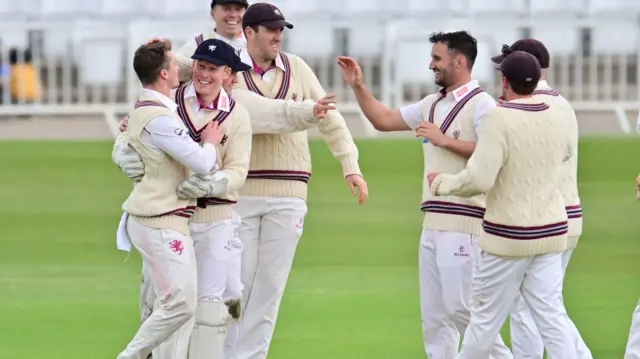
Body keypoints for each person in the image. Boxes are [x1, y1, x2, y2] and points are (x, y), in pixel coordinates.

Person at [113, 41, 338, 359]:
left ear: (228, 74)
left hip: (216, 223)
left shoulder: (237, 115)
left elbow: (237, 172)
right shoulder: (171, 101)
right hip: (172, 218)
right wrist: (121, 148)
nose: (204, 75)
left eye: (213, 69)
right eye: (200, 67)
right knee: (170, 309)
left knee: (211, 313)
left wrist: (213, 184)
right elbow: (135, 128)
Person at [337, 31, 510, 358]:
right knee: (435, 319)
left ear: (459, 61)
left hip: (466, 221)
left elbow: (495, 154)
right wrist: (358, 86)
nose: (431, 65)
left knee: (462, 310)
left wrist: (445, 140)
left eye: (437, 58)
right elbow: (383, 120)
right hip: (432, 222)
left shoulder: (482, 105)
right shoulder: (432, 104)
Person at [228, 3, 368, 358]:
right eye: (270, 29)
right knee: (235, 287)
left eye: (281, 29)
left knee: (270, 289)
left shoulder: (297, 68)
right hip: (240, 192)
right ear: (249, 32)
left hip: (289, 192)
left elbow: (329, 118)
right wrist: (304, 111)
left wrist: (350, 165)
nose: (278, 35)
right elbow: (250, 112)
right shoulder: (231, 72)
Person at [427, 50, 576, 359]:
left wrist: (442, 183)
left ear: (504, 81)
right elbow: (562, 155)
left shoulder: (499, 116)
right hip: (551, 234)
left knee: (483, 323)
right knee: (552, 319)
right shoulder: (556, 111)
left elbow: (479, 179)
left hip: (508, 237)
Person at [116, 39, 224, 359]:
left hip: (164, 220)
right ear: (164, 74)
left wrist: (166, 47)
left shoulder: (153, 107)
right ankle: (132, 355)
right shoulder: (159, 118)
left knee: (175, 307)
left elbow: (185, 70)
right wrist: (211, 142)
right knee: (180, 304)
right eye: (174, 64)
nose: (182, 67)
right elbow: (202, 163)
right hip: (159, 221)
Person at [491, 39, 592, 359]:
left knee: (529, 307)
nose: (502, 75)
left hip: (544, 219)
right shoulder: (559, 103)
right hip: (563, 215)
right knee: (547, 306)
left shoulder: (538, 106)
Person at [176, 0, 248, 82]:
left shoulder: (257, 47)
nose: (233, 15)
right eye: (226, 9)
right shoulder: (194, 47)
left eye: (238, 9)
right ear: (212, 14)